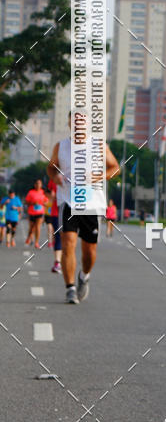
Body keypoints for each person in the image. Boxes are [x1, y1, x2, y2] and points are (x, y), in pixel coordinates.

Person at [47, 115, 120, 305]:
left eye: (82, 122)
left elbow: (115, 168)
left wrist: (98, 176)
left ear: (88, 125)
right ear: (70, 124)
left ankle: (84, 275)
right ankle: (70, 288)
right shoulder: (60, 146)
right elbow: (51, 168)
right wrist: (55, 178)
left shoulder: (98, 145)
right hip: (69, 202)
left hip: (92, 205)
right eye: (75, 121)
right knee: (68, 242)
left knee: (89, 252)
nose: (79, 125)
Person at [25, 178, 46, 248]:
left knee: (37, 227)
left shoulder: (43, 192)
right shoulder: (31, 192)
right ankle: (29, 237)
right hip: (32, 212)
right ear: (34, 185)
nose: (38, 185)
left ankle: (36, 242)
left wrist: (43, 203)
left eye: (39, 183)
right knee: (31, 228)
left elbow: (47, 201)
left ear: (41, 185)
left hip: (40, 212)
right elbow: (26, 202)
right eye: (37, 183)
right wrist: (33, 203)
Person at [48, 180, 62, 273]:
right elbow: (50, 194)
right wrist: (53, 196)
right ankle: (58, 262)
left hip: (72, 213)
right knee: (58, 237)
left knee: (68, 238)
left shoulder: (77, 174)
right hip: (56, 213)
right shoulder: (54, 179)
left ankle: (62, 261)